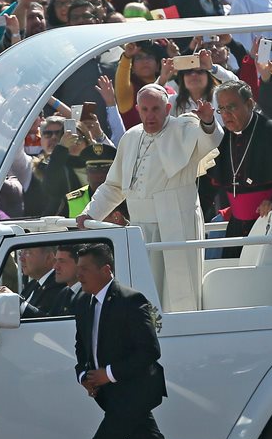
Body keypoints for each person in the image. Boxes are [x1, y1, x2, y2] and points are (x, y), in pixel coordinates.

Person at [47, 244, 244, 439]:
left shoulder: (131, 300)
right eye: (77, 269)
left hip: (135, 393)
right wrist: (85, 375)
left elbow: (150, 351)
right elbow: (82, 346)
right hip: (113, 397)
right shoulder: (83, 302)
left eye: (84, 269)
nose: (78, 275)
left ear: (106, 271)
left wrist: (108, 374)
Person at [77, 84, 222, 313]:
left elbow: (210, 141)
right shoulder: (130, 137)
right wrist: (90, 213)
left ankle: (182, 327)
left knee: (179, 293)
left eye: (155, 109)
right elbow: (114, 186)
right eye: (144, 110)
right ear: (138, 109)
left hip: (176, 222)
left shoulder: (183, 128)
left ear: (167, 109)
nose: (150, 115)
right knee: (143, 290)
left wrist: (207, 122)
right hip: (140, 227)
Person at [209, 80, 272, 255]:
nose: (226, 114)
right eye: (222, 109)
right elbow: (210, 182)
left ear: (249, 104)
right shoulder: (222, 139)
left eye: (231, 107)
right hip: (237, 227)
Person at [0, 245, 63, 319]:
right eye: (21, 252)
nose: (21, 259)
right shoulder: (33, 284)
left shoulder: (60, 286)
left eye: (28, 252)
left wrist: (16, 301)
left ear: (48, 257)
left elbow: (48, 322)